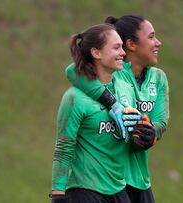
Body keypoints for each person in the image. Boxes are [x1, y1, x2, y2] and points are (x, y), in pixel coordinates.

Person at [65, 15, 170, 203]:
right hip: (109, 179)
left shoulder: (159, 78)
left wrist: (150, 133)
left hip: (140, 178)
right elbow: (72, 71)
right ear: (131, 44)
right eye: (152, 37)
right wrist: (112, 103)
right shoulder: (115, 73)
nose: (158, 43)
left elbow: (161, 122)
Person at [50, 23, 142, 203]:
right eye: (116, 48)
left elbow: (129, 142)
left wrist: (142, 133)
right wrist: (58, 193)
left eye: (122, 47)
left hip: (118, 187)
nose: (123, 53)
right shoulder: (74, 98)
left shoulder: (125, 90)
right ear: (96, 53)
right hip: (85, 190)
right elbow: (63, 148)